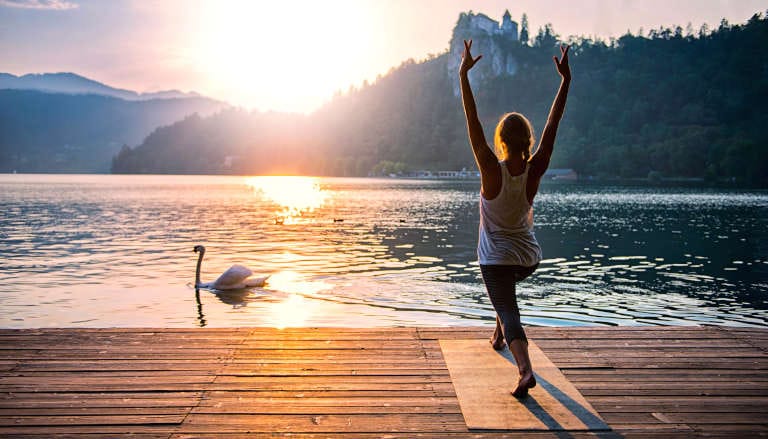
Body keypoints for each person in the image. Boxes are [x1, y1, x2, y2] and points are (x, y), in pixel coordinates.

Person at [459, 39, 571, 398]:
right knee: (504, 295)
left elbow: (472, 120)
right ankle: (497, 336)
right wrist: (565, 81)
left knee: (508, 307)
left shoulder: (491, 170)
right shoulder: (535, 168)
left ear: (501, 142)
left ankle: (525, 371)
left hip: (496, 260)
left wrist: (463, 75)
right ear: (527, 141)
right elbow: (553, 124)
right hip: (528, 258)